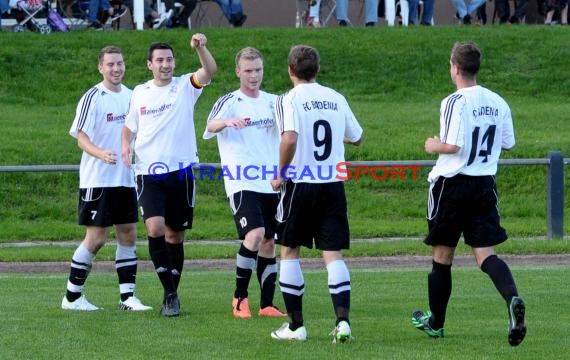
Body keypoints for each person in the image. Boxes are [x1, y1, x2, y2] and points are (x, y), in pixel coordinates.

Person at [410, 41, 527, 347]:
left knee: (442, 256)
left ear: (456, 68)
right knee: (486, 254)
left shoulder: (454, 101)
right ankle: (512, 298)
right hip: (484, 183)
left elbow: (453, 146)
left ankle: (436, 323)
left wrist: (432, 144)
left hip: (453, 184)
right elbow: (509, 143)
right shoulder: (498, 101)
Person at [269, 45, 363, 342]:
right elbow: (357, 137)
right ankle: (343, 322)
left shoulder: (288, 99)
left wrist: (280, 174)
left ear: (290, 70)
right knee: (331, 254)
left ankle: (296, 326)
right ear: (317, 69)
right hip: (332, 183)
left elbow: (290, 137)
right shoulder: (335, 97)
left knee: (289, 251)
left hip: (300, 183)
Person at [121, 35, 217, 317]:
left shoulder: (185, 85)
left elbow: (209, 71)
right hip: (148, 172)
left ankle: (171, 293)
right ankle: (171, 293)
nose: (165, 65)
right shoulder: (140, 92)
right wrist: (126, 144)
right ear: (150, 64)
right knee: (155, 229)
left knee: (175, 236)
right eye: (160, 60)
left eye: (170, 60)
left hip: (181, 171)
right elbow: (130, 126)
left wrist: (201, 48)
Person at [62, 46, 152, 312]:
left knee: (128, 233)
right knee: (97, 238)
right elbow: (80, 137)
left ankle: (127, 298)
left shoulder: (133, 96)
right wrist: (101, 153)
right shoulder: (93, 96)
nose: (116, 69)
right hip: (97, 179)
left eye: (120, 64)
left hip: (126, 178)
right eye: (110, 64)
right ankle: (72, 297)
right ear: (100, 67)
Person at [203, 47, 287, 320]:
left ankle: (267, 304)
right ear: (238, 71)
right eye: (248, 70)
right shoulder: (229, 101)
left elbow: (293, 130)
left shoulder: (275, 101)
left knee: (269, 242)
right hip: (242, 181)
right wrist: (226, 121)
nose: (254, 76)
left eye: (258, 70)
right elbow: (210, 126)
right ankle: (240, 298)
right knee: (254, 234)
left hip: (271, 183)